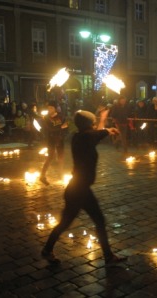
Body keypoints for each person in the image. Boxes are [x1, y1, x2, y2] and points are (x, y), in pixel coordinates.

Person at [41, 108, 126, 265]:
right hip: (78, 190)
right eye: (92, 124)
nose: (94, 127)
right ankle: (108, 256)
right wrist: (107, 128)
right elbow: (96, 134)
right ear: (87, 125)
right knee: (84, 221)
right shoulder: (84, 138)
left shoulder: (80, 137)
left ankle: (108, 256)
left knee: (83, 221)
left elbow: (95, 135)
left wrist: (102, 121)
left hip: (79, 189)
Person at [39, 101, 68, 185]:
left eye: (51, 108)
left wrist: (65, 127)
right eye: (48, 108)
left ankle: (61, 175)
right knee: (50, 157)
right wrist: (61, 127)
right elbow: (49, 129)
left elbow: (66, 125)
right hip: (51, 140)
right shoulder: (46, 118)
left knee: (61, 158)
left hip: (60, 139)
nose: (49, 109)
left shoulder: (61, 117)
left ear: (55, 108)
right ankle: (42, 176)